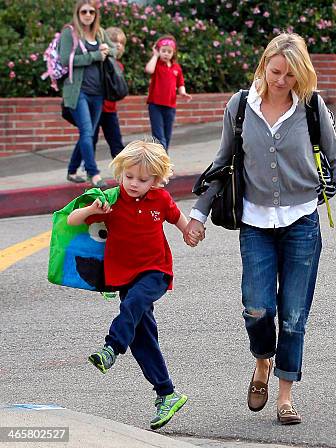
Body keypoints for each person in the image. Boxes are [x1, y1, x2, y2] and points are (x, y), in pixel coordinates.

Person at [185, 33, 336, 424]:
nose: (281, 81)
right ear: (264, 65)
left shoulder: (312, 107)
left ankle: (285, 396)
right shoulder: (238, 107)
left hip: (302, 221)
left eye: (290, 74)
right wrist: (197, 217)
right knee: (257, 308)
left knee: (295, 314)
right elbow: (221, 165)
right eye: (276, 71)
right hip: (256, 224)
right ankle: (262, 361)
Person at [66, 138, 199, 430]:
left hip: (155, 271)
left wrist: (189, 231)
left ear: (156, 179)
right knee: (142, 337)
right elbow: (72, 220)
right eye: (129, 176)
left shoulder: (160, 200)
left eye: (143, 179)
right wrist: (90, 210)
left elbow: (178, 218)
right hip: (123, 276)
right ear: (120, 171)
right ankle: (167, 393)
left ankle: (111, 347)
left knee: (135, 303)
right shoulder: (111, 200)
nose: (134, 183)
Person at [61, 0, 115, 188]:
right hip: (78, 92)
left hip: (98, 93)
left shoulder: (99, 33)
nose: (88, 15)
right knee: (86, 131)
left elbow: (115, 50)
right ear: (78, 13)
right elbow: (64, 59)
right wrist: (94, 56)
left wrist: (107, 50)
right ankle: (93, 173)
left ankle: (72, 170)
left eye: (91, 12)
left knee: (89, 133)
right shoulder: (70, 32)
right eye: (84, 11)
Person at [145, 35, 192, 151]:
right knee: (159, 136)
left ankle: (162, 161)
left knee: (167, 136)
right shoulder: (156, 65)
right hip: (155, 105)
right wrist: (155, 56)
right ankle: (163, 162)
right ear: (158, 51)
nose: (166, 54)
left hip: (170, 106)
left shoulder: (176, 68)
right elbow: (148, 70)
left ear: (173, 53)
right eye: (163, 51)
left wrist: (183, 92)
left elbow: (180, 83)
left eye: (169, 51)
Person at [92, 26, 126, 159]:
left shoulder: (118, 65)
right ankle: (87, 166)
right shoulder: (100, 62)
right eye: (114, 41)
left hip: (110, 110)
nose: (118, 45)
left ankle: (124, 169)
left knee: (116, 141)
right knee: (90, 139)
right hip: (96, 107)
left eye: (121, 43)